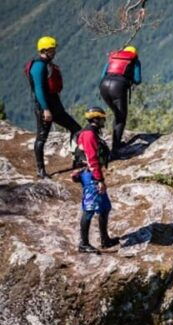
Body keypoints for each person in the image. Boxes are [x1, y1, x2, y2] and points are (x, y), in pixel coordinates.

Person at [25, 36, 81, 178]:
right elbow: (39, 90)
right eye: (52, 49)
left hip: (54, 105)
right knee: (41, 138)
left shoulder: (45, 65)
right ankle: (41, 170)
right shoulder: (39, 67)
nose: (55, 51)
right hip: (45, 107)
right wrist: (45, 109)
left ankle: (77, 160)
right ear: (44, 50)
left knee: (76, 128)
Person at [71, 107, 117, 254]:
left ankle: (105, 240)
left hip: (91, 174)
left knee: (105, 207)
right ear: (96, 119)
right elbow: (92, 159)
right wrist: (99, 180)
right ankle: (83, 244)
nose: (104, 120)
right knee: (89, 209)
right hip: (90, 175)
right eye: (103, 118)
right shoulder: (89, 135)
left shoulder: (89, 132)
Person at [99, 45, 142, 157]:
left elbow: (102, 75)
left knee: (117, 114)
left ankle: (115, 143)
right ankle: (116, 148)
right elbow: (138, 80)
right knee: (121, 117)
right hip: (118, 87)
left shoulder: (113, 58)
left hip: (103, 85)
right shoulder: (134, 60)